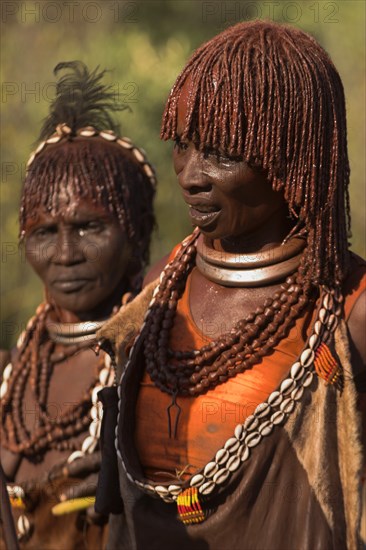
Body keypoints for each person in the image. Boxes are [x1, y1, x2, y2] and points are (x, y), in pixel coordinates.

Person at [97, 21, 366, 550]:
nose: (191, 175)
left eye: (221, 153)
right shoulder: (159, 292)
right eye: (184, 145)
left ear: (294, 155)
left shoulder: (348, 311)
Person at [0, 61, 156, 548]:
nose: (66, 255)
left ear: (136, 236)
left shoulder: (160, 369)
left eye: (90, 227)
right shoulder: (7, 379)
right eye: (45, 233)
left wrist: (142, 491)